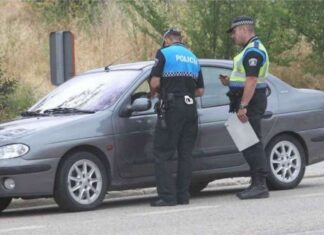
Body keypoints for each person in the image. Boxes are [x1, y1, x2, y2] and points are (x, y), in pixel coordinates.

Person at [149, 28, 204, 206]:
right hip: (190, 109)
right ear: (180, 39)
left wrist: (156, 93)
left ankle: (167, 197)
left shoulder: (164, 53)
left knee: (162, 153)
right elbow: (200, 90)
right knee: (185, 154)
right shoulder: (193, 57)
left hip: (172, 109)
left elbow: (155, 82)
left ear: (166, 39)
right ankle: (183, 196)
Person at [219, 16, 270, 199]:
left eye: (234, 32)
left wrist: (243, 106)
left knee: (252, 142)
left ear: (243, 29)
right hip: (245, 99)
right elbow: (244, 78)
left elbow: (252, 80)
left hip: (250, 101)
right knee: (246, 142)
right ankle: (255, 182)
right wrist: (230, 82)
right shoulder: (247, 50)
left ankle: (260, 185)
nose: (233, 36)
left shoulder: (253, 51)